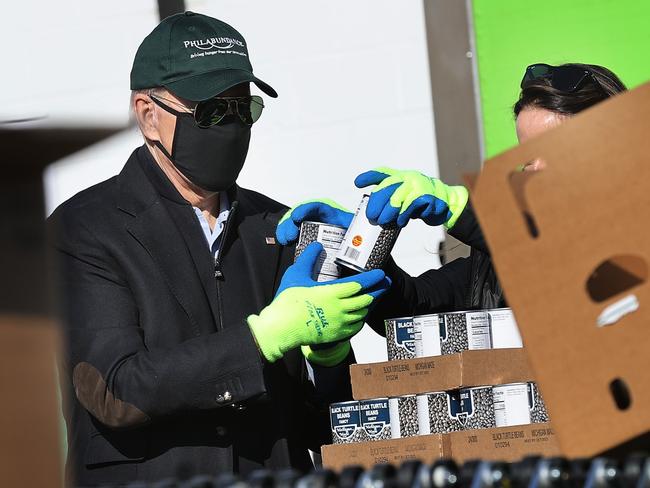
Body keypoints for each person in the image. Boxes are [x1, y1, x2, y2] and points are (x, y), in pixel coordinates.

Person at [50, 12, 390, 486]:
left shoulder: (278, 227)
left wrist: (329, 360)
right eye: (211, 112)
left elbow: (325, 426)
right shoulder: (84, 228)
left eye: (242, 110)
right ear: (149, 115)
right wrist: (262, 339)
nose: (231, 128)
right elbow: (115, 391)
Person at [277, 63, 627, 329]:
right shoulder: (500, 257)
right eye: (526, 157)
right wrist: (362, 250)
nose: (533, 171)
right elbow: (417, 309)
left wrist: (459, 207)